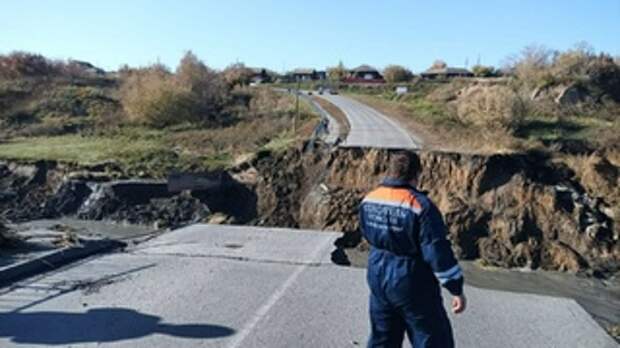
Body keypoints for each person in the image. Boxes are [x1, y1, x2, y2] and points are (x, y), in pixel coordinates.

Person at [359, 150, 466, 348]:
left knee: (383, 338)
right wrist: (455, 287)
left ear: (390, 171)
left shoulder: (370, 199)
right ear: (416, 175)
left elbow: (366, 233)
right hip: (410, 279)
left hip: (377, 274)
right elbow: (436, 252)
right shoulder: (420, 206)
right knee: (431, 338)